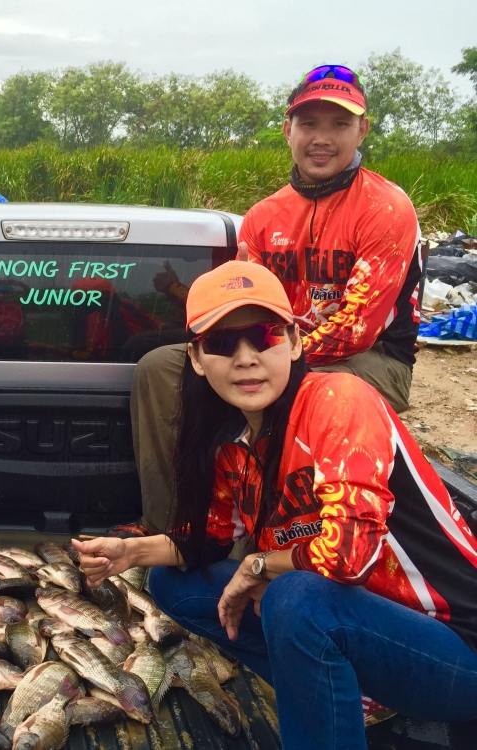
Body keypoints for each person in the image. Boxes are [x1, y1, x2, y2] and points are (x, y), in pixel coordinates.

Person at [73, 260, 477, 750]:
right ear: (197, 359)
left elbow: (348, 556)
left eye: (263, 335)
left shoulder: (340, 400)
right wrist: (130, 554)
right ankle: (340, 693)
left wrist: (259, 566)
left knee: (295, 598)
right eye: (221, 343)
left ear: (294, 341)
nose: (245, 358)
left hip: (455, 648)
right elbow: (214, 539)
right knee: (172, 582)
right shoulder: (230, 437)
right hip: (359, 626)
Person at [129, 64, 424, 533]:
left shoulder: (386, 208)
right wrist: (230, 347)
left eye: (339, 124)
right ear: (289, 130)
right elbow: (242, 307)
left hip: (371, 360)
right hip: (277, 344)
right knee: (160, 368)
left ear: (362, 129)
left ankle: (268, 545)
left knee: (281, 394)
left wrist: (268, 359)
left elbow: (356, 328)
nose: (321, 138)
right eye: (309, 124)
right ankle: (170, 528)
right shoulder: (264, 215)